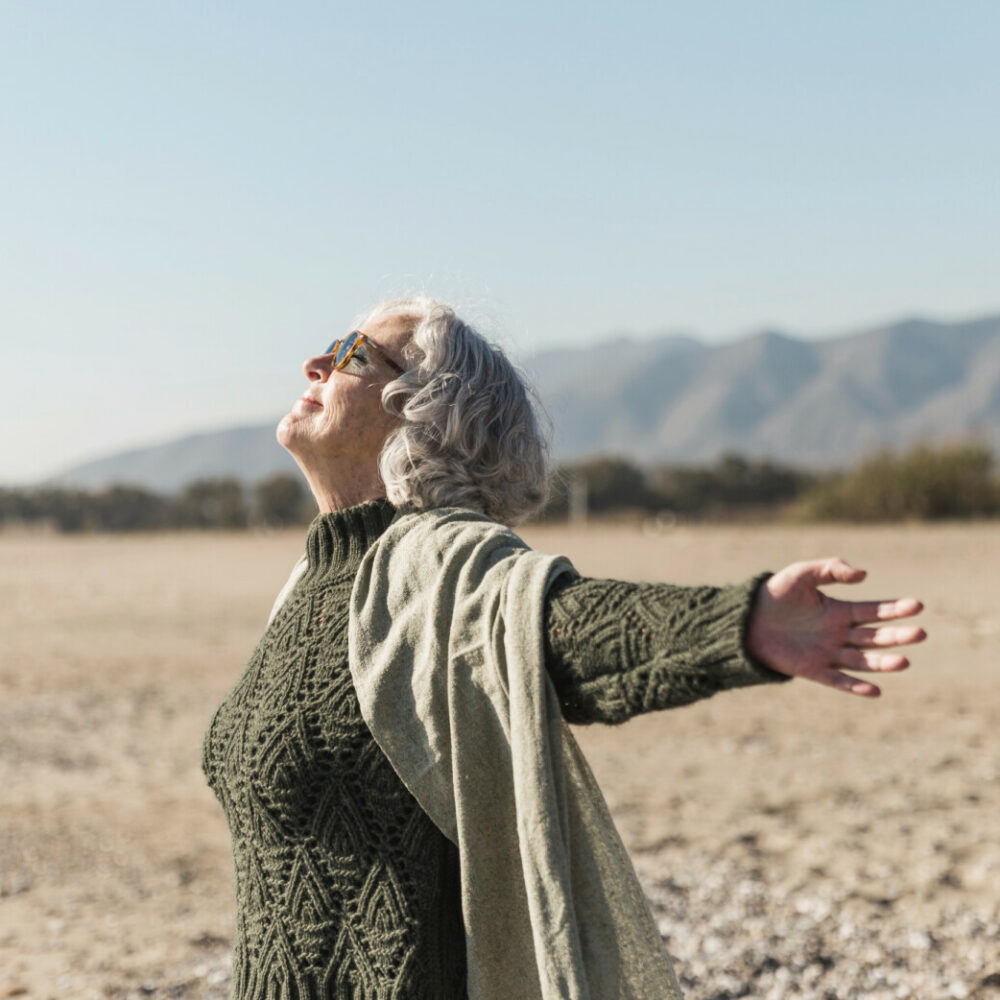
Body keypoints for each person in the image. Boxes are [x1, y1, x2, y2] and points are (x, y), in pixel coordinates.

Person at [202, 296, 925, 1000]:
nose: (315, 364)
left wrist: (742, 627)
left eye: (353, 354)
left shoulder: (442, 568)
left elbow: (559, 628)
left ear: (425, 412)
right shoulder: (316, 577)